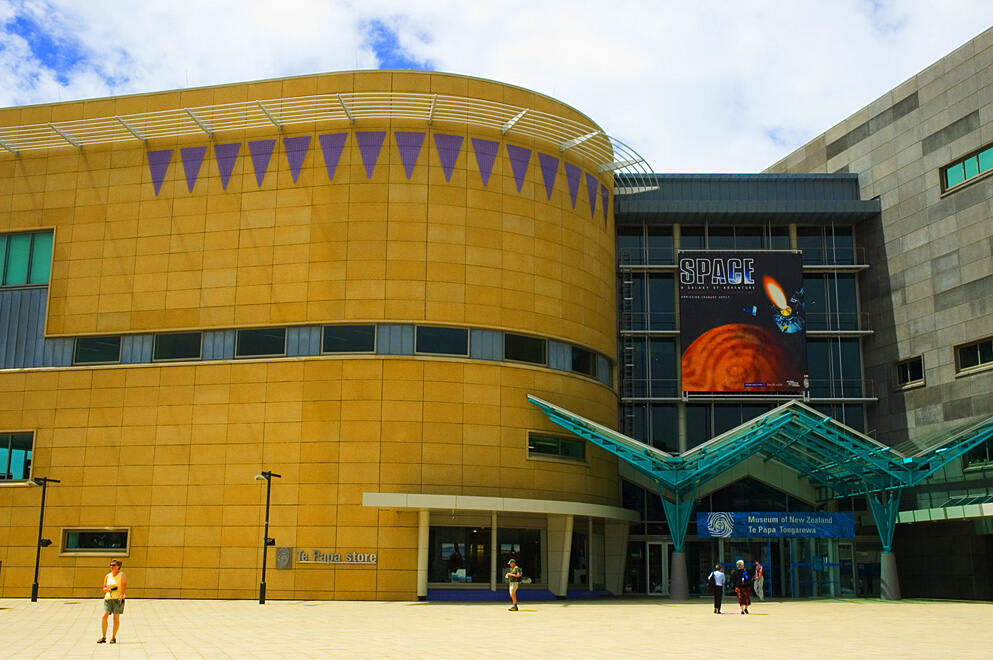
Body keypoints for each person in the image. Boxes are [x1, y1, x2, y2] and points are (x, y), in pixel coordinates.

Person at [98, 559, 127, 643]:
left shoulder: (122, 575)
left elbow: (124, 585)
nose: (111, 566)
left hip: (118, 598)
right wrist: (108, 589)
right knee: (104, 616)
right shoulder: (107, 576)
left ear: (118, 567)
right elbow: (104, 588)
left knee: (116, 618)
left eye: (113, 565)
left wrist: (121, 595)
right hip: (108, 598)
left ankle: (113, 637)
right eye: (110, 565)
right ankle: (103, 637)